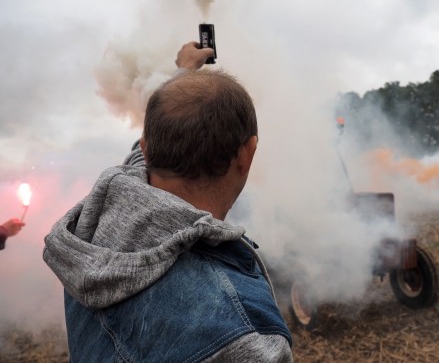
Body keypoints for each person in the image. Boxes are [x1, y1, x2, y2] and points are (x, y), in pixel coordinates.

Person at [43, 42, 293, 362]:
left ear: (146, 150)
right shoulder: (243, 332)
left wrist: (182, 74)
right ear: (248, 153)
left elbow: (145, 149)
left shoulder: (99, 219)